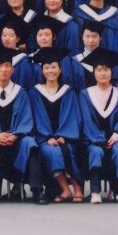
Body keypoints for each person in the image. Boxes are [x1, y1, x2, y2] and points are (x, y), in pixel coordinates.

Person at [0, 49, 43, 205]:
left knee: (30, 142)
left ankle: (37, 191)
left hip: (16, 141)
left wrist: (15, 135)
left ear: (12, 69)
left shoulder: (20, 92)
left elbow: (26, 119)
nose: (3, 69)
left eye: (6, 65)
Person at [80, 52, 118, 204]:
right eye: (99, 70)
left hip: (116, 138)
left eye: (106, 69)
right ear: (94, 72)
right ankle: (95, 192)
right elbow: (87, 121)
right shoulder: (86, 95)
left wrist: (117, 134)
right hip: (94, 139)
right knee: (95, 151)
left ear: (112, 72)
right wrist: (99, 139)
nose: (103, 73)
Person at [31, 51, 86, 203]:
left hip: (67, 136)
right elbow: (36, 118)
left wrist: (64, 136)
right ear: (42, 71)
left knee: (68, 150)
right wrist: (47, 137)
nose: (50, 71)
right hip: (45, 139)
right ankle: (66, 189)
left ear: (60, 70)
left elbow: (73, 115)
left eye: (54, 67)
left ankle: (78, 189)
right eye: (47, 67)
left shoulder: (68, 91)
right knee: (52, 152)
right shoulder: (35, 92)